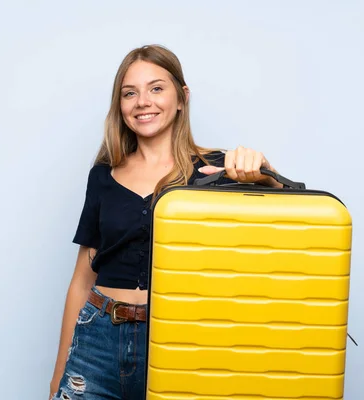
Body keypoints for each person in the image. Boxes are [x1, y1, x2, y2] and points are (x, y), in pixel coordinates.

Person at [49, 44, 284, 400]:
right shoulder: (102, 175)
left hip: (183, 341)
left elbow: (286, 222)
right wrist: (59, 375)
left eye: (156, 88)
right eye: (130, 93)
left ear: (181, 98)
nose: (143, 101)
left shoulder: (218, 169)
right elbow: (82, 280)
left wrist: (265, 175)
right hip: (97, 339)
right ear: (121, 106)